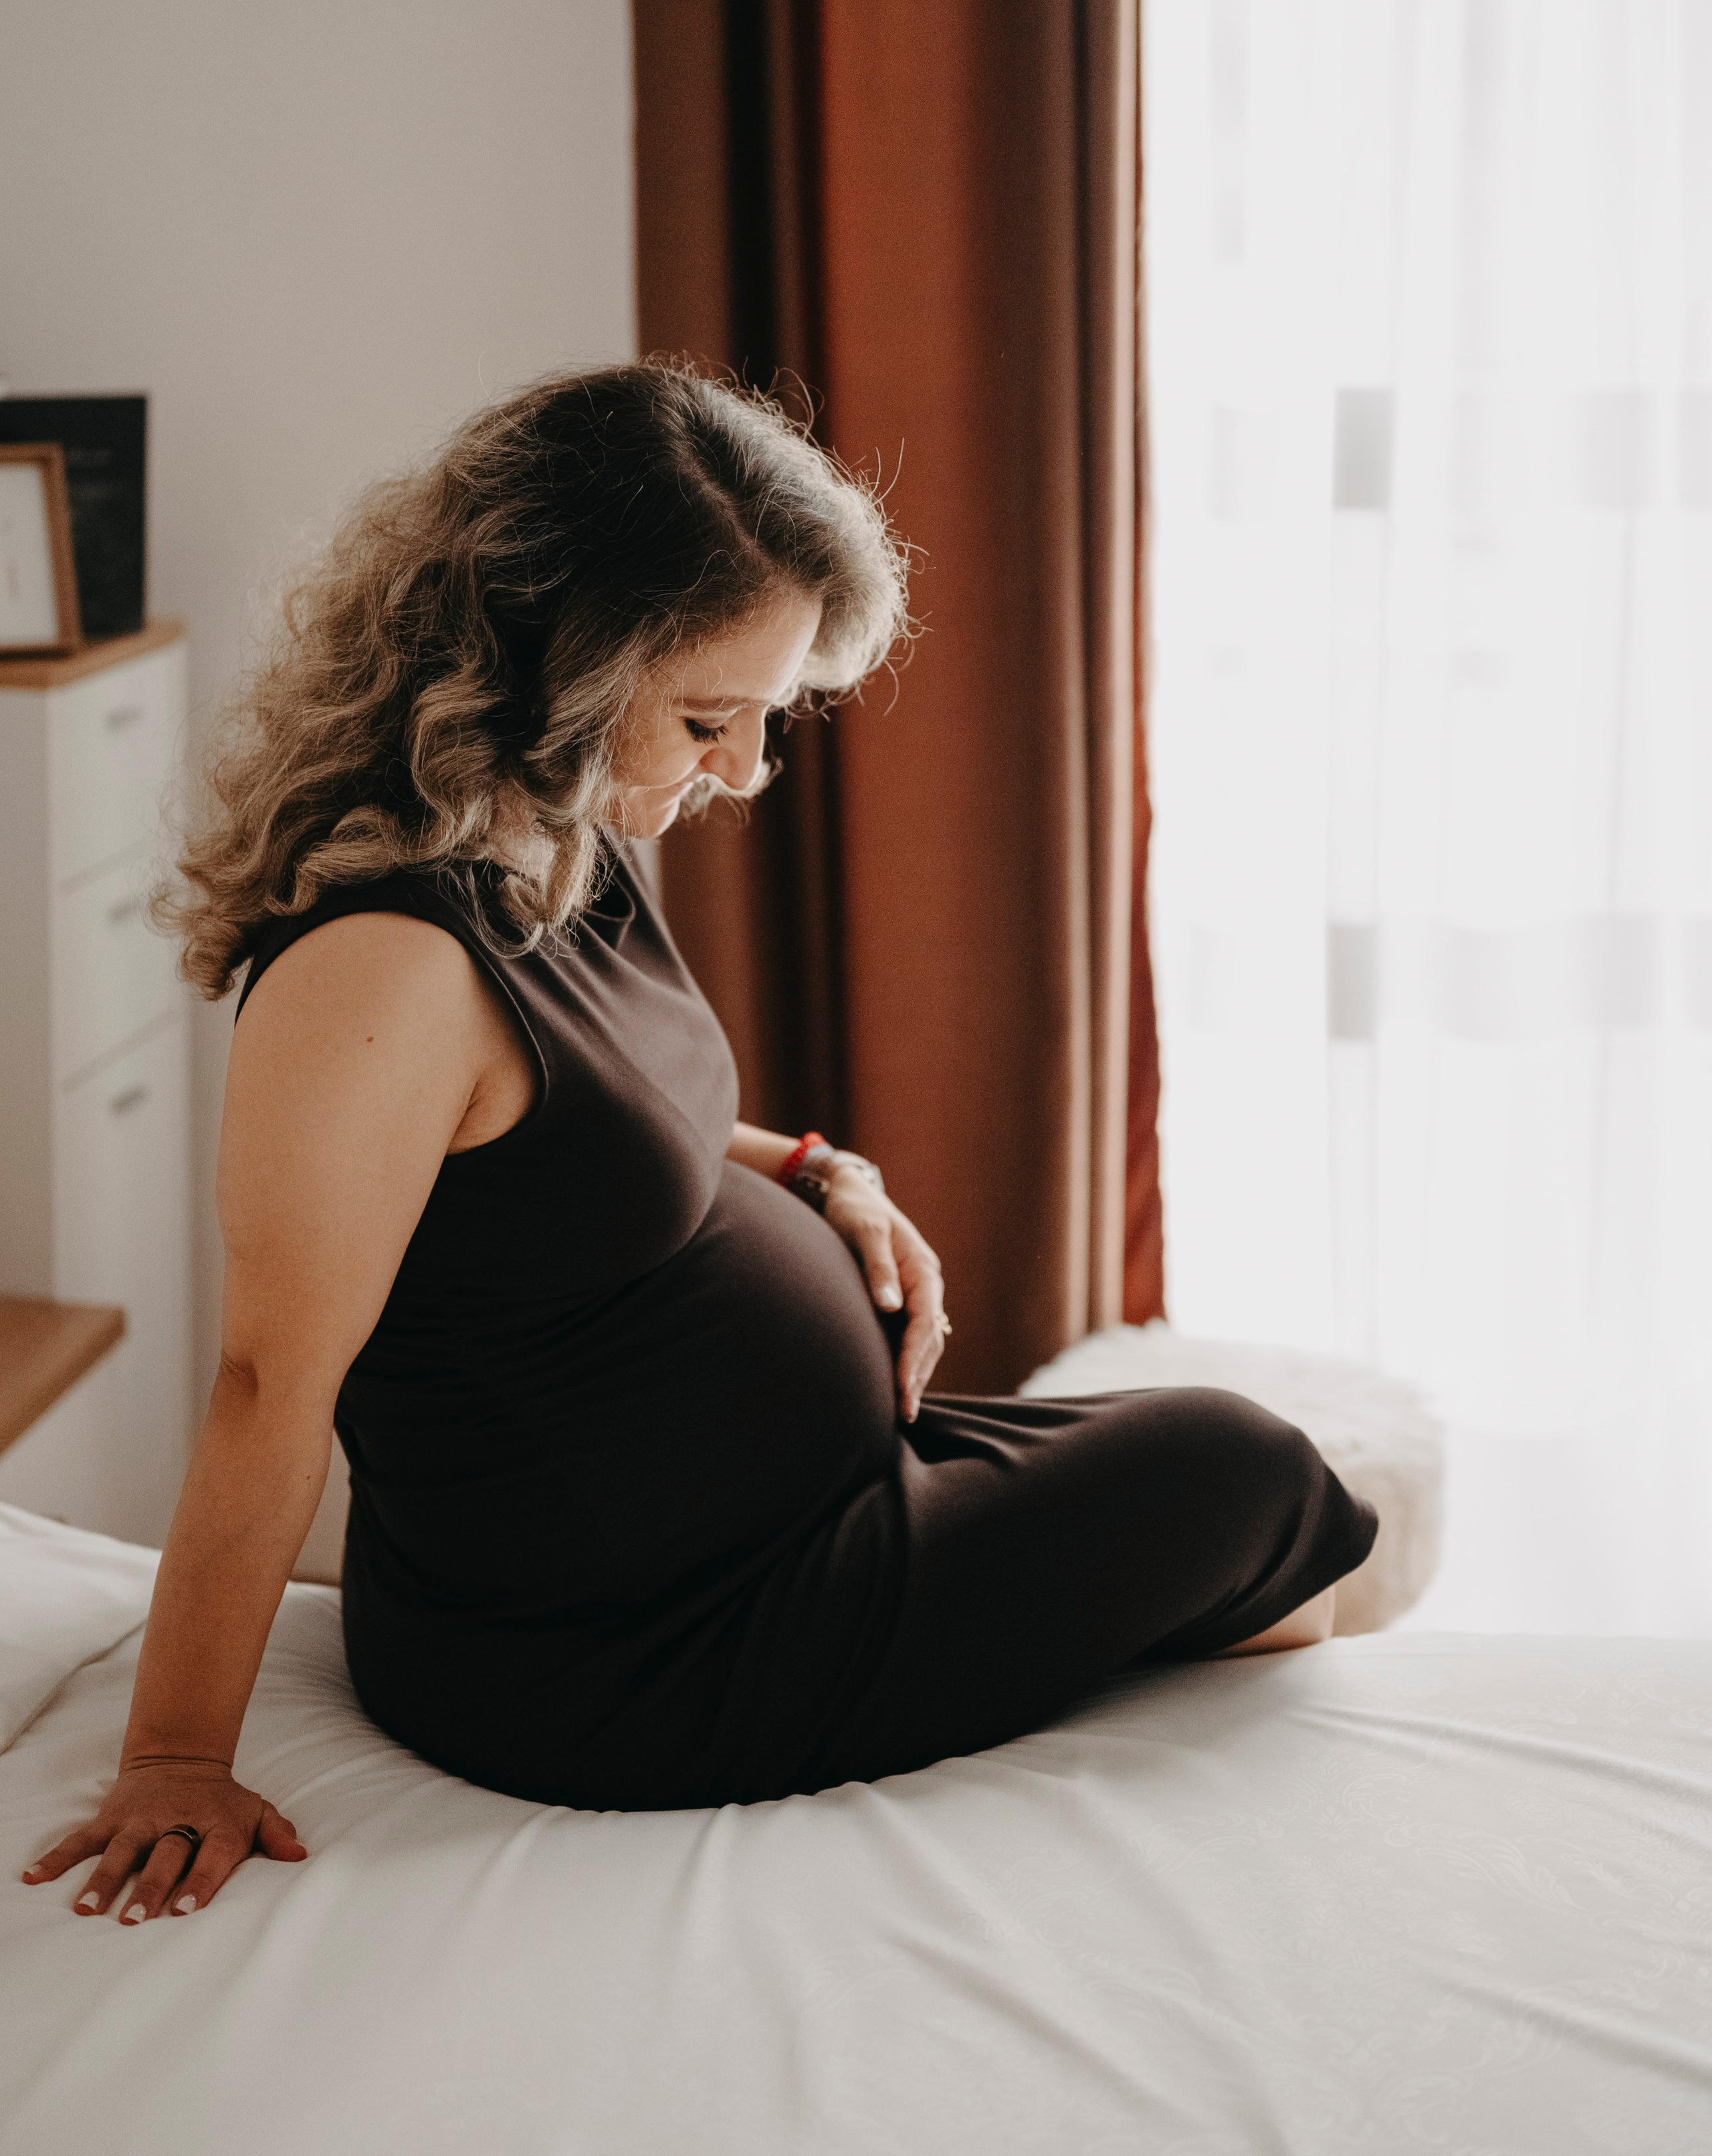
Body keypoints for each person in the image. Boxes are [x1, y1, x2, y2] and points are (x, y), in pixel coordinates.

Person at [22, 363, 1376, 1925]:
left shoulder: (540, 828)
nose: (741, 773)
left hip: (760, 1529)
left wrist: (809, 1171)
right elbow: (270, 1381)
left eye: (765, 717)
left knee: (1226, 1477)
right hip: (633, 1653)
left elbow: (566, 1127)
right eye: (708, 719)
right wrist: (179, 1754)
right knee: (1249, 1476)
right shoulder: (376, 973)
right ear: (552, 660)